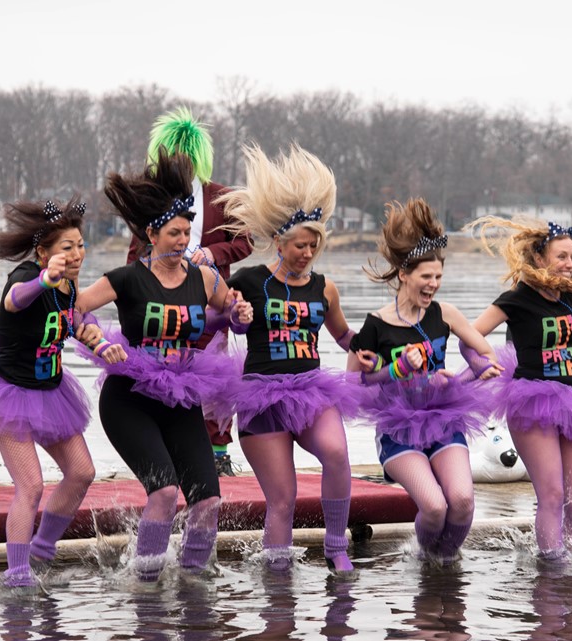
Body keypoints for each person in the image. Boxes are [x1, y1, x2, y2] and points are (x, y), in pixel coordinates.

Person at [78, 149, 252, 582]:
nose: (183, 241)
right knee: (165, 492)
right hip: (130, 399)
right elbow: (72, 310)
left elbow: (230, 313)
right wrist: (99, 341)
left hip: (181, 396)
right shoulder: (126, 278)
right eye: (175, 233)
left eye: (188, 233)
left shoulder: (204, 277)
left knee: (208, 500)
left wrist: (240, 313)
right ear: (152, 234)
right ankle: (146, 583)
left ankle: (195, 580)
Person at [466, 165, 572, 562]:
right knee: (553, 494)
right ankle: (552, 567)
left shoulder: (571, 291)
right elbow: (470, 335)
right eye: (562, 257)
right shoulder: (517, 299)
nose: (570, 263)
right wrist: (479, 364)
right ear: (539, 257)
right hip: (533, 401)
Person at [0, 197, 104, 590]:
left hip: (51, 392)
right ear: (43, 252)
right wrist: (44, 279)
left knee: (82, 472)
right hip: (9, 393)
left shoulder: (70, 283)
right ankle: (17, 573)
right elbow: (15, 300)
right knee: (31, 486)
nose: (77, 254)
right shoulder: (26, 275)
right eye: (67, 247)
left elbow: (75, 316)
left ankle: (42, 550)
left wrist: (93, 331)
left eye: (80, 245)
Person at [215, 145, 365, 573]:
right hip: (261, 396)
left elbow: (342, 335)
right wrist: (236, 316)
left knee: (336, 453)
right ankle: (277, 576)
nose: (307, 252)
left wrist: (367, 345)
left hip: (311, 391)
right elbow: (227, 322)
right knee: (283, 498)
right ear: (280, 242)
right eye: (300, 245)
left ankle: (336, 545)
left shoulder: (325, 287)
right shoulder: (251, 280)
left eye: (314, 245)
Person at [347, 199, 502, 565]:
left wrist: (464, 375)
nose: (433, 285)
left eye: (438, 277)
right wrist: (395, 369)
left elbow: (486, 356)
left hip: (444, 421)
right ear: (404, 274)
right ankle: (425, 563)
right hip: (398, 430)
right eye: (426, 277)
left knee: (462, 502)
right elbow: (354, 384)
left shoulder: (445, 314)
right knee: (434, 507)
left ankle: (442, 569)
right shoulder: (375, 325)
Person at [128, 108, 253, 476]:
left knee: (215, 377)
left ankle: (218, 452)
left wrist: (213, 253)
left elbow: (245, 242)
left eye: (185, 156)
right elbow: (136, 251)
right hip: (163, 299)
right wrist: (134, 287)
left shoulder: (221, 196)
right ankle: (166, 449)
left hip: (211, 299)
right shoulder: (153, 197)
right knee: (165, 372)